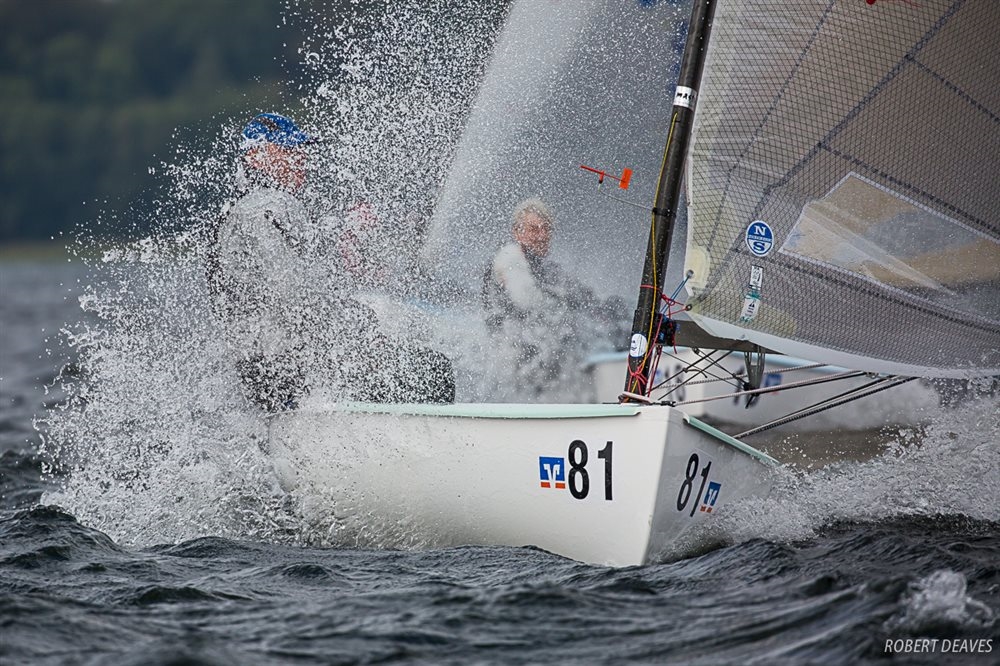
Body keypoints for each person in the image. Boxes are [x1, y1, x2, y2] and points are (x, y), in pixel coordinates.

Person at [207, 112, 454, 410]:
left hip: (275, 366)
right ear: (257, 157)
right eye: (288, 149)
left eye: (301, 150)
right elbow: (292, 296)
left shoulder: (250, 209)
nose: (301, 158)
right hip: (285, 371)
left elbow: (296, 289)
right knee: (434, 370)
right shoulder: (260, 211)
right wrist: (359, 328)